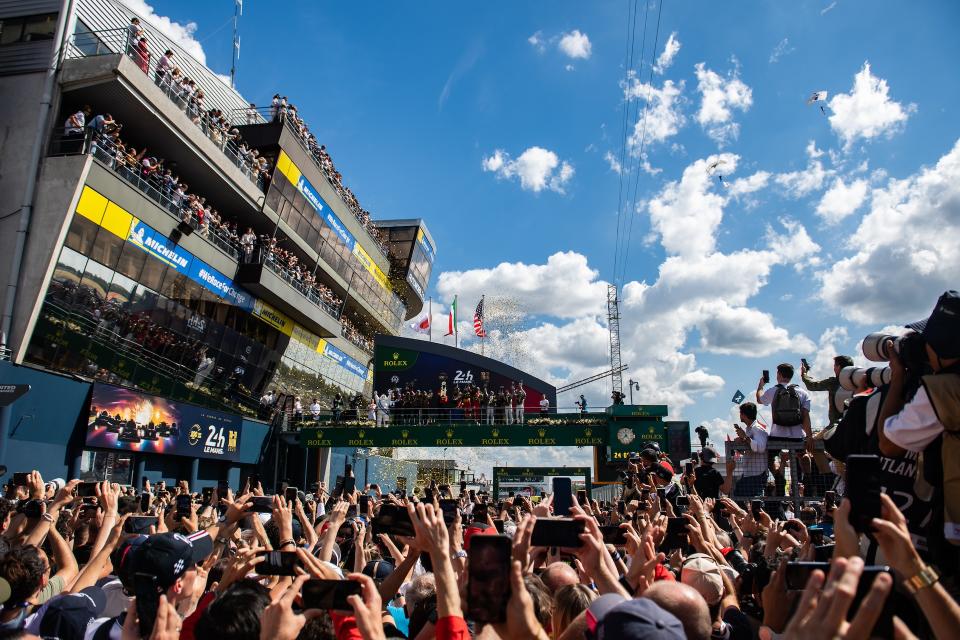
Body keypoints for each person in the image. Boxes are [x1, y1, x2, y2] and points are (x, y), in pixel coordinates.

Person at [757, 362, 813, 451]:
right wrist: (809, 436)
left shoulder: (773, 391)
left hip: (777, 436)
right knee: (802, 458)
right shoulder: (803, 393)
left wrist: (760, 386)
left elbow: (759, 400)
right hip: (797, 437)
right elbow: (806, 415)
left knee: (771, 460)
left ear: (779, 374)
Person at [725, 402, 769, 497]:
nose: (739, 415)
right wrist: (741, 441)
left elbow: (761, 448)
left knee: (743, 498)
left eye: (740, 413)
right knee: (738, 496)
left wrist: (744, 437)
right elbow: (749, 450)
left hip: (757, 474)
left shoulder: (757, 429)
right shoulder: (750, 429)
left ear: (743, 415)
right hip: (751, 472)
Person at [801, 355, 854, 426]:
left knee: (816, 437)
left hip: (836, 425)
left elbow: (812, 386)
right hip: (855, 423)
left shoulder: (833, 382)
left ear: (838, 367)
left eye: (835, 365)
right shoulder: (857, 382)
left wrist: (804, 374)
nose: (834, 368)